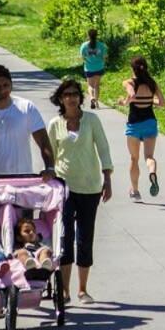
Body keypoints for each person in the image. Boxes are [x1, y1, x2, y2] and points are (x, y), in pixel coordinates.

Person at [47, 78, 113, 304]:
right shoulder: (54, 124)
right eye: (67, 95)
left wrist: (107, 178)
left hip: (90, 187)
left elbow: (103, 148)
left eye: (75, 94)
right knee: (65, 239)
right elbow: (50, 156)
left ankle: (82, 290)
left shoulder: (92, 121)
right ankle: (64, 290)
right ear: (60, 99)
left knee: (85, 238)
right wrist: (48, 184)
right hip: (64, 188)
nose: (71, 98)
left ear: (80, 97)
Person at [120, 56, 164, 201]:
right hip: (150, 122)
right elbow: (162, 103)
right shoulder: (152, 83)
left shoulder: (129, 82)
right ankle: (152, 171)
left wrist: (124, 101)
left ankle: (135, 190)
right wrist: (150, 101)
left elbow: (132, 95)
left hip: (134, 124)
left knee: (134, 158)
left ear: (132, 68)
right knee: (149, 157)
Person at [79, 29, 107, 109]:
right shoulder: (101, 45)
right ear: (96, 35)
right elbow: (104, 57)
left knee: (90, 85)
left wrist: (87, 60)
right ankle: (97, 102)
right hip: (99, 67)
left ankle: (92, 98)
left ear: (88, 35)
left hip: (88, 68)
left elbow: (82, 57)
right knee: (97, 85)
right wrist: (102, 62)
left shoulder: (84, 45)